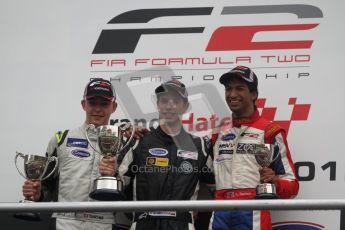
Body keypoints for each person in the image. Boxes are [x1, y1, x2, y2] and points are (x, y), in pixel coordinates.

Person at [21, 78, 131, 230]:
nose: (97, 109)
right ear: (83, 104)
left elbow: (128, 191)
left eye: (104, 104)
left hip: (103, 223)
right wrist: (37, 194)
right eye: (92, 103)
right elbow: (46, 185)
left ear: (114, 107)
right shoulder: (62, 139)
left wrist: (113, 175)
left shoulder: (125, 144)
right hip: (64, 222)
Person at [209, 66, 299, 230]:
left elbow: (292, 186)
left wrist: (275, 182)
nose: (232, 94)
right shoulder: (217, 133)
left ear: (253, 94)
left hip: (253, 213)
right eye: (228, 89)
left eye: (239, 88)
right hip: (220, 213)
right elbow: (203, 172)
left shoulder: (270, 131)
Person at [118, 80, 214, 230]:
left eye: (175, 101)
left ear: (185, 106)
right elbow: (118, 182)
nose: (169, 105)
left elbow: (220, 186)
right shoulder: (140, 141)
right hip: (143, 224)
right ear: (158, 105)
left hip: (182, 225)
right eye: (164, 101)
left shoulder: (199, 145)